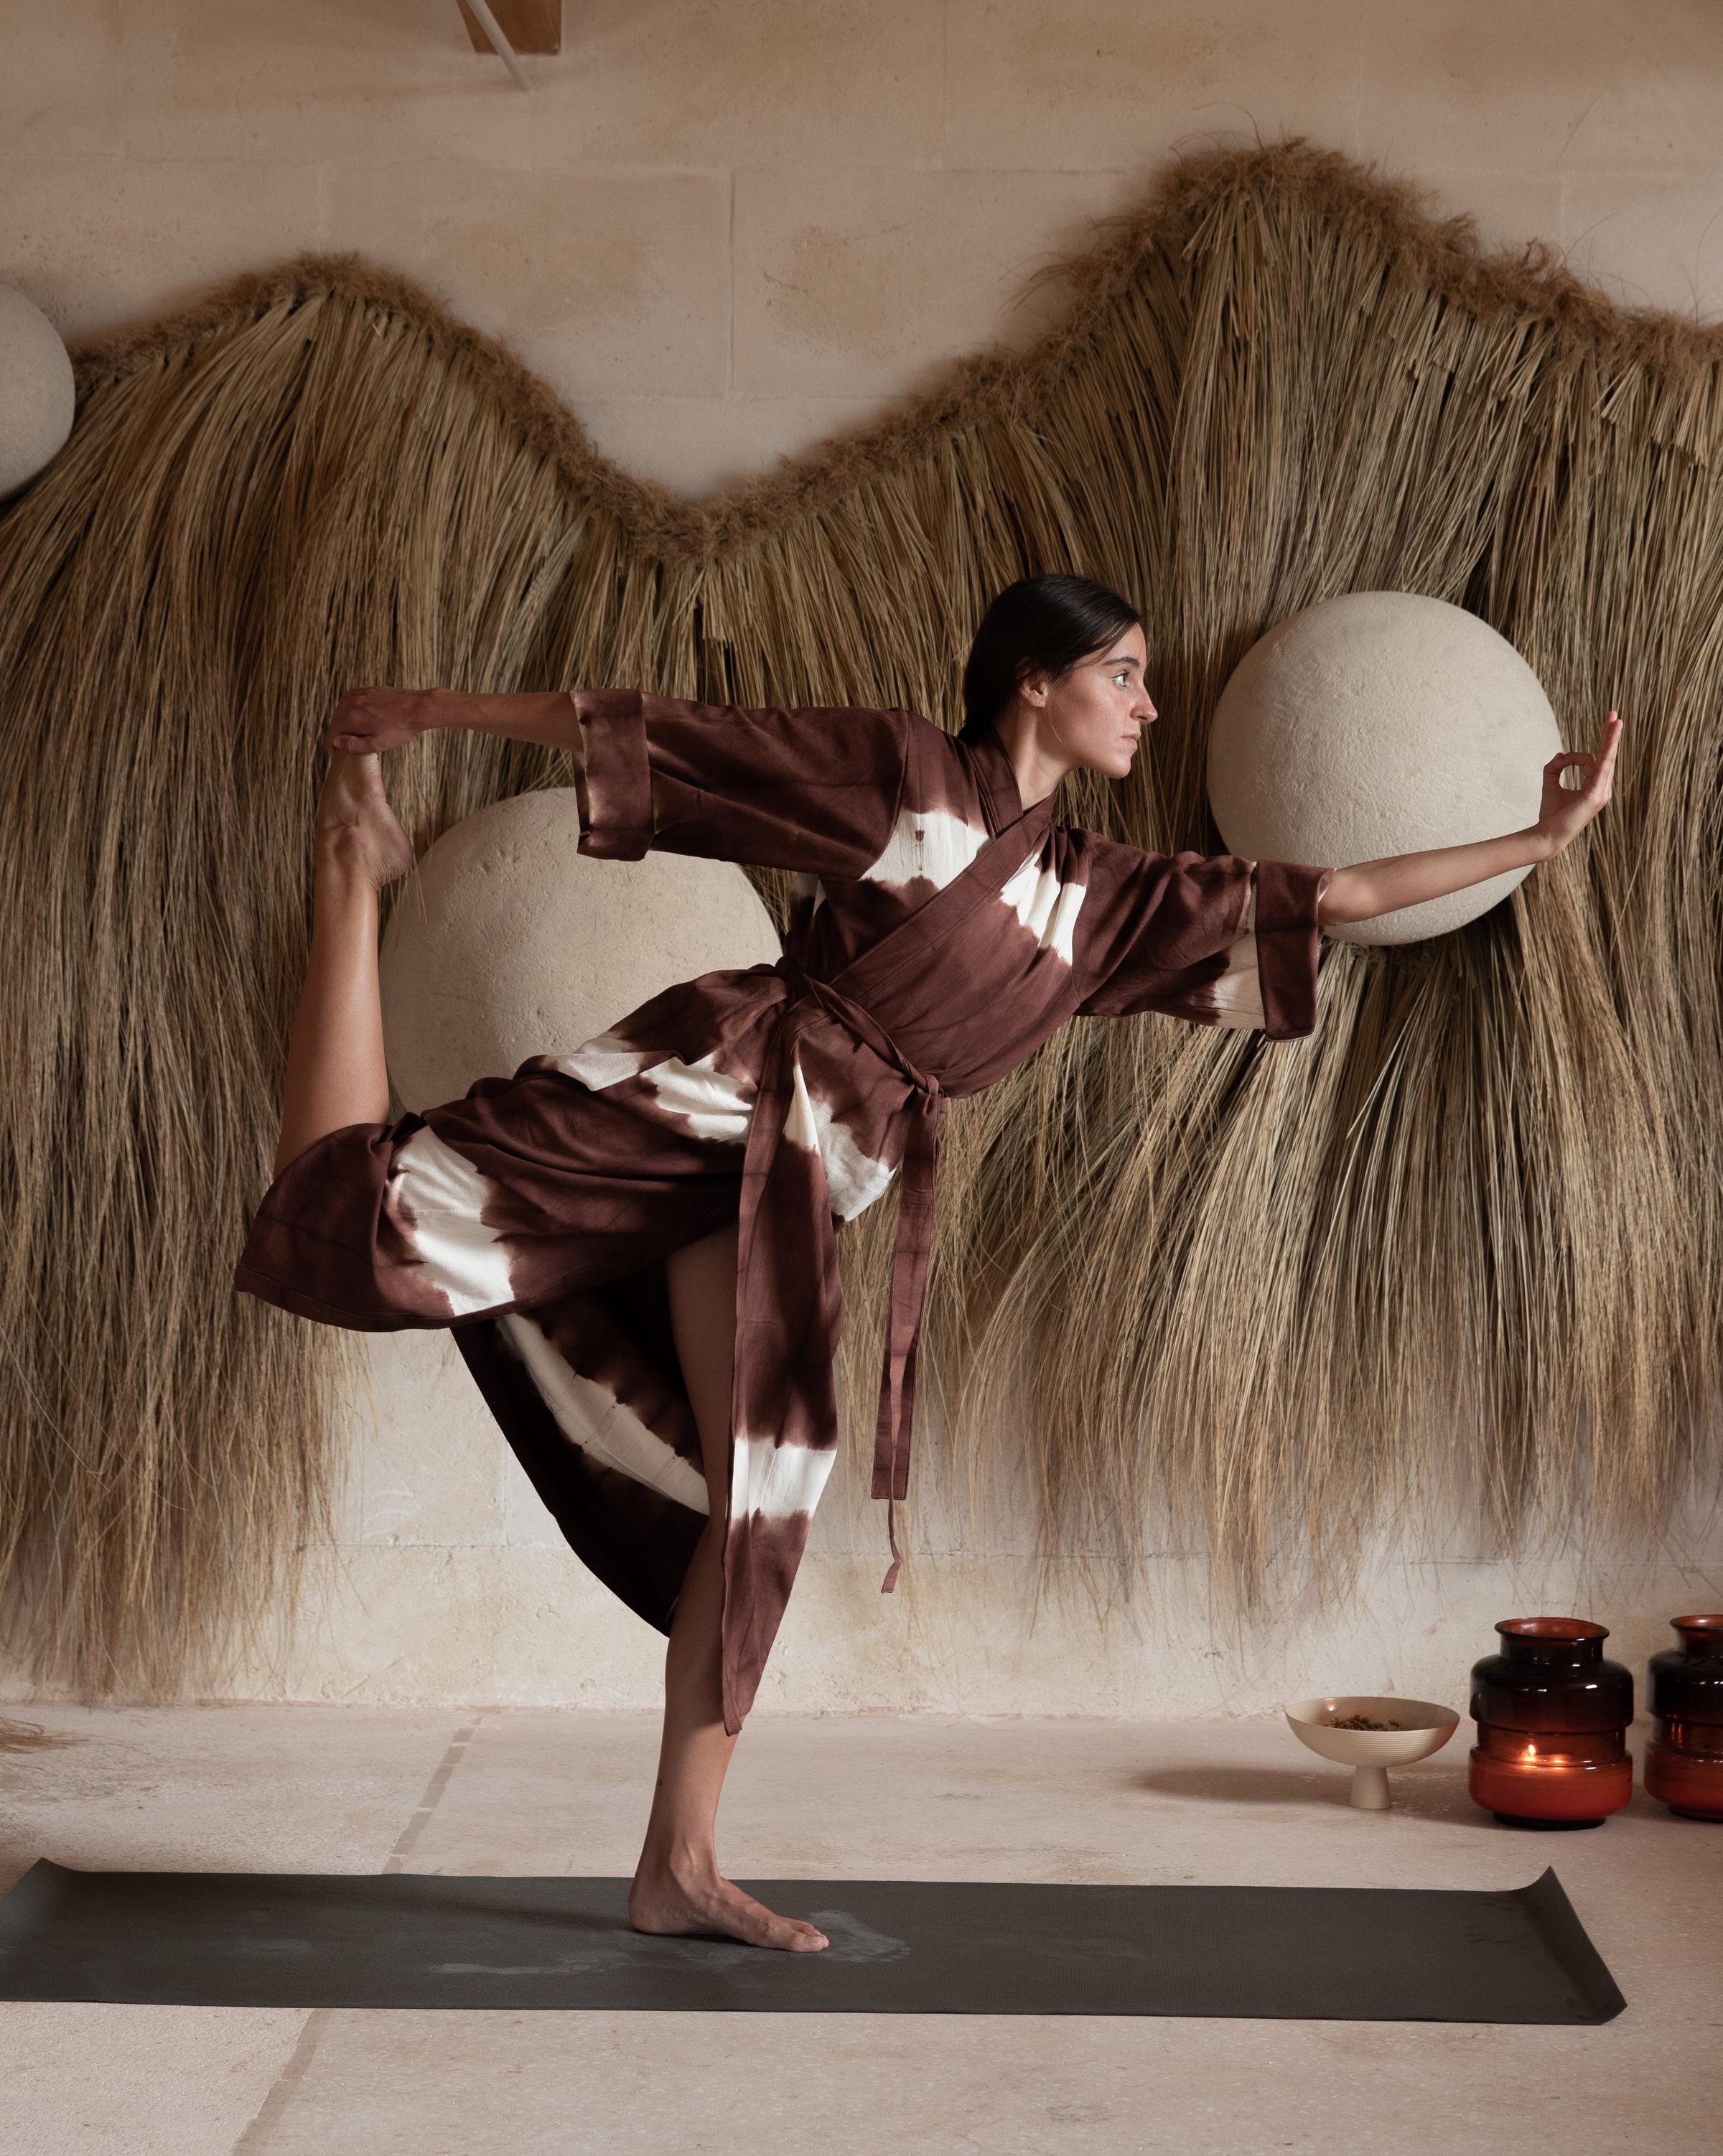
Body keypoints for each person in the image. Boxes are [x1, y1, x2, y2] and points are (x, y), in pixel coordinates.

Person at [233, 574, 1620, 1954]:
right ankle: (351, 875)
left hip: (799, 1182)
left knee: (765, 1496)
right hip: (707, 1093)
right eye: (1123, 675)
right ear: (1036, 681)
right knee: (362, 1230)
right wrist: (436, 712)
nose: (1146, 704)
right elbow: (679, 740)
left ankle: (679, 1866)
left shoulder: (1097, 903)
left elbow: (1338, 894)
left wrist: (1538, 840)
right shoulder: (907, 778)